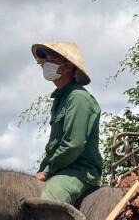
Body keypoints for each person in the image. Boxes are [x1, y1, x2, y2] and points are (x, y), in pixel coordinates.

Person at [31, 42, 102, 206]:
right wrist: (41, 171)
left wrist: (46, 172)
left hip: (78, 171)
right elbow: (54, 146)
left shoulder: (78, 98)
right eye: (44, 60)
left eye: (52, 58)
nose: (45, 64)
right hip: (61, 169)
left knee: (42, 206)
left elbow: (73, 144)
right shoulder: (61, 98)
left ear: (68, 66)